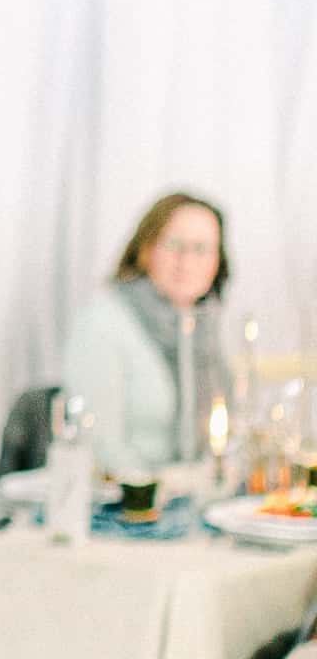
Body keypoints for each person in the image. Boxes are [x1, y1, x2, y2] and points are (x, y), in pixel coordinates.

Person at [62, 189, 230, 474]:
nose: (187, 261)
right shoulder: (103, 322)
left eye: (201, 249)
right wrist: (173, 485)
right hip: (126, 503)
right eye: (174, 245)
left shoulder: (204, 327)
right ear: (146, 250)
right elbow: (98, 447)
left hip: (196, 498)